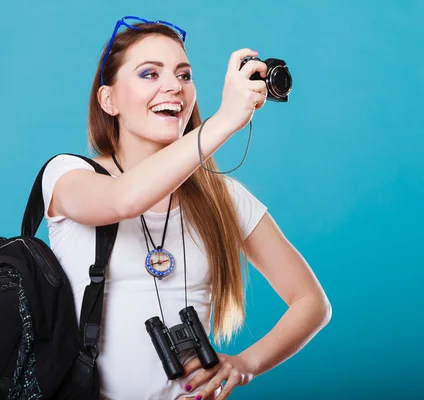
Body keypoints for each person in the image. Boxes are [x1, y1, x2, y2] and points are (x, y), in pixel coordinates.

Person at [41, 16, 331, 400]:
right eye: (149, 73)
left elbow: (312, 303)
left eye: (184, 75)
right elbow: (123, 200)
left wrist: (245, 365)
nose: (173, 87)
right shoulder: (68, 174)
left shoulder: (222, 197)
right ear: (108, 100)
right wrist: (225, 121)